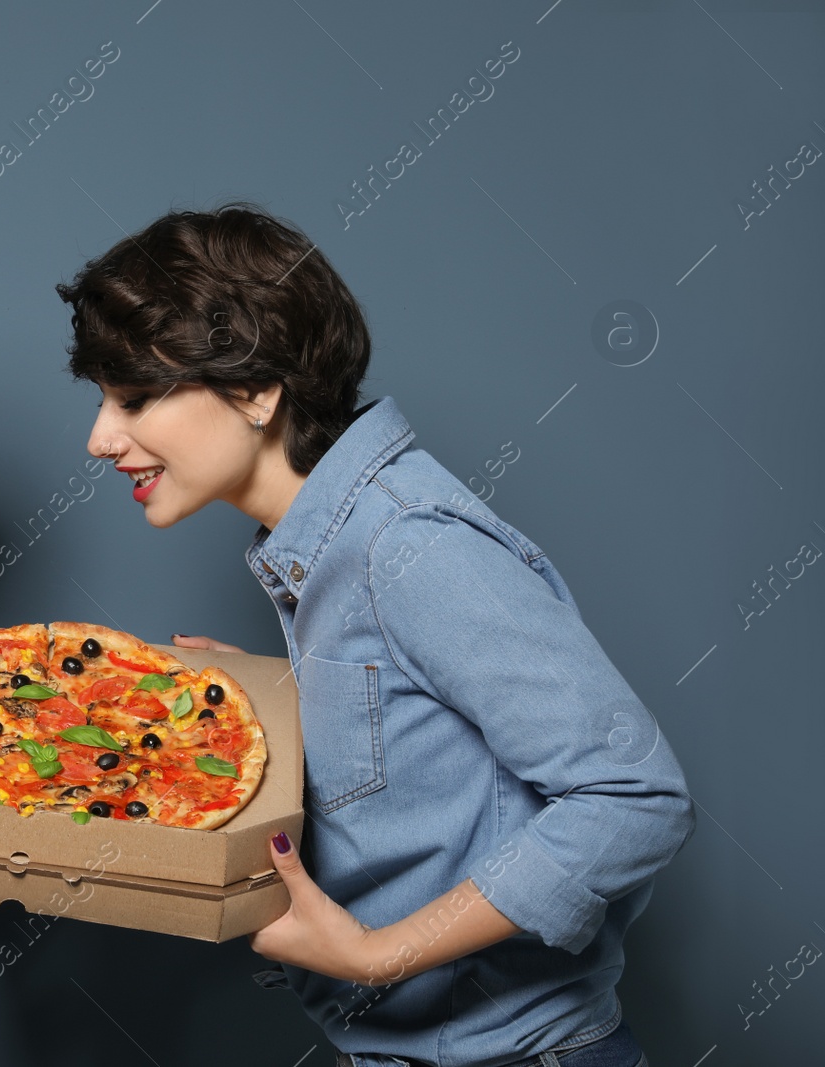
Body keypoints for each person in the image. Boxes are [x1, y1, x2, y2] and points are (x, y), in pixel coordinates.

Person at [56, 205, 694, 1067]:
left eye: (133, 396)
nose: (100, 437)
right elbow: (414, 748)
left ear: (255, 390)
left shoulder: (409, 545)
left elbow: (635, 797)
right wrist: (264, 696)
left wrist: (373, 955)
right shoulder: (329, 552)